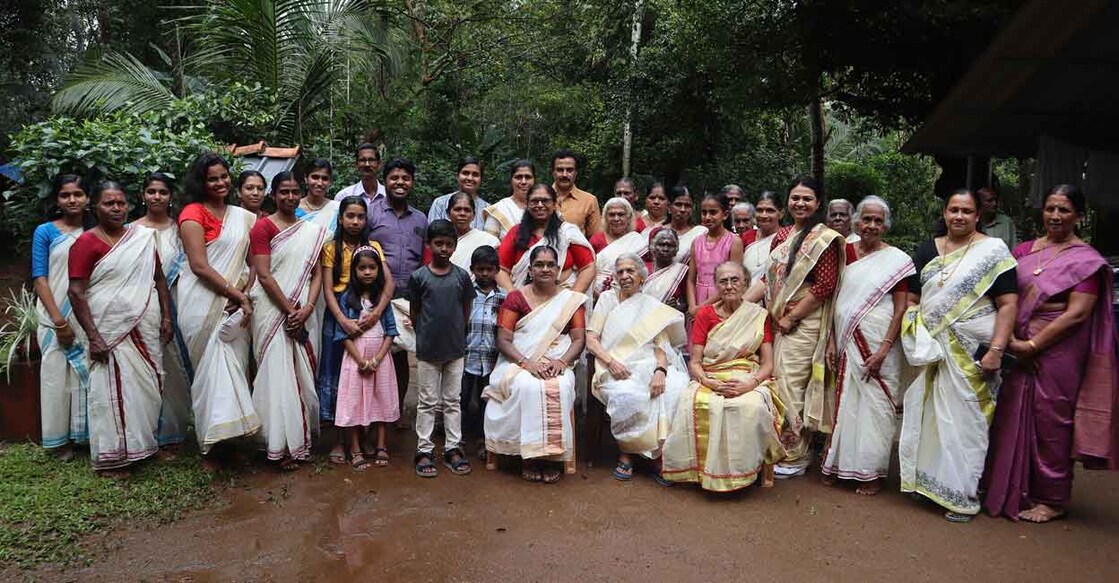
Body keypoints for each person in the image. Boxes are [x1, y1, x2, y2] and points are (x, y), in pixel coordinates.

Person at [983, 184, 1119, 523]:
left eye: (1064, 210)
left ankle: (1052, 498)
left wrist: (1031, 345)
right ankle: (1011, 485)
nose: (1055, 216)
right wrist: (1009, 340)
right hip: (1015, 345)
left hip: (1058, 352)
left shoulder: (1086, 261)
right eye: (1050, 209)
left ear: (1079, 216)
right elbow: (1005, 297)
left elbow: (1077, 314)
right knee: (1009, 412)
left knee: (1052, 419)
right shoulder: (1025, 251)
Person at [900, 188, 1018, 522]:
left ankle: (963, 494)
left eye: (967, 211)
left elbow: (1008, 304)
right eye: (954, 210)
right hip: (934, 349)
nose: (959, 217)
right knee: (932, 416)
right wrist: (917, 331)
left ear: (977, 215)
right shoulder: (927, 249)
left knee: (968, 422)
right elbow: (912, 300)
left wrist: (996, 349)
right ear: (945, 213)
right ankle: (932, 484)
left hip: (974, 353)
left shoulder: (993, 252)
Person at [743, 177, 849, 479]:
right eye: (795, 198)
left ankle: (794, 454)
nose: (800, 204)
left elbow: (825, 285)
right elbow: (767, 279)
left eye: (807, 199)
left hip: (803, 322)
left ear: (818, 203)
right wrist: (740, 308)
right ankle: (776, 446)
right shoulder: (783, 235)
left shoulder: (825, 239)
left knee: (792, 384)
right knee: (775, 380)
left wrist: (792, 317)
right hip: (776, 318)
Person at [67, 181, 172, 475]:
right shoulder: (86, 243)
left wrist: (166, 317)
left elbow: (159, 279)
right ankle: (113, 458)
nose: (116, 208)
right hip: (108, 331)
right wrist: (94, 337)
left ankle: (145, 447)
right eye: (109, 203)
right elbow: (76, 292)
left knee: (149, 385)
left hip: (146, 324)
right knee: (111, 391)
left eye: (121, 203)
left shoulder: (141, 238)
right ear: (95, 207)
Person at [662, 262, 785, 491]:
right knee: (694, 402)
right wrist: (709, 382)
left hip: (747, 377)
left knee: (752, 406)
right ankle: (702, 471)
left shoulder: (758, 315)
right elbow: (696, 362)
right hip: (711, 376)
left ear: (746, 283)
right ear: (716, 286)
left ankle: (743, 472)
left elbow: (768, 364)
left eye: (735, 280)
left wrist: (750, 384)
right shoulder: (705, 315)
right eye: (723, 281)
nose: (729, 286)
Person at [821, 196, 914, 495]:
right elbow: (835, 299)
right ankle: (840, 465)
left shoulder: (897, 260)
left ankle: (871, 473)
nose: (872, 225)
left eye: (878, 221)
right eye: (867, 219)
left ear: (885, 225)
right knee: (846, 401)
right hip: (846, 337)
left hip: (880, 341)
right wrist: (832, 340)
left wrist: (885, 348)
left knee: (876, 407)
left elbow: (900, 308)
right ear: (857, 221)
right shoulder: (844, 251)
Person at [178, 152, 260, 469]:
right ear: (202, 182)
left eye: (224, 176)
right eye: (212, 178)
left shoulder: (244, 216)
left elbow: (254, 263)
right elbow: (199, 265)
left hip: (236, 303)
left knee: (234, 368)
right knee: (209, 374)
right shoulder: (192, 214)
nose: (220, 183)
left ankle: (233, 441)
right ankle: (211, 446)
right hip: (201, 302)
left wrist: (244, 295)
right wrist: (235, 293)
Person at [483, 246, 588, 484]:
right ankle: (529, 457)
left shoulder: (570, 300)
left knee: (560, 386)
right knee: (526, 387)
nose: (545, 269)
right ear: (529, 270)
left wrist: (563, 361)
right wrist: (526, 363)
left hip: (557, 361)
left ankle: (551, 457)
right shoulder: (516, 297)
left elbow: (579, 339)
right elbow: (503, 339)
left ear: (558, 269)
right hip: (518, 360)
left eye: (551, 264)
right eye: (539, 265)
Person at [585, 254, 689, 480]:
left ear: (642, 277)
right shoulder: (606, 299)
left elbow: (661, 345)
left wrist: (660, 372)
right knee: (628, 394)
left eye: (630, 271)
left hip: (649, 363)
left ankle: (656, 454)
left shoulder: (650, 305)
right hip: (613, 363)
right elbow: (591, 339)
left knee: (676, 389)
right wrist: (611, 362)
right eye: (620, 272)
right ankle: (628, 453)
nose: (625, 276)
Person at [248, 171, 324, 470]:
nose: (290, 198)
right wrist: (290, 311)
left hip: (303, 307)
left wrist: (307, 308)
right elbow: (264, 275)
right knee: (275, 375)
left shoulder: (311, 230)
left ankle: (299, 438)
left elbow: (317, 274)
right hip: (271, 309)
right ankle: (277, 443)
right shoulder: (262, 228)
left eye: (294, 192)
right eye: (284, 192)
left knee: (301, 373)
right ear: (274, 194)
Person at [319, 196, 394, 463]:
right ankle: (340, 440)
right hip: (340, 315)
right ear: (340, 218)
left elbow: (389, 283)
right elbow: (328, 289)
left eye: (360, 216)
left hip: (369, 313)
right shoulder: (331, 248)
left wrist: (376, 313)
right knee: (340, 377)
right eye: (350, 216)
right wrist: (342, 319)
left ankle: (364, 436)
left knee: (367, 379)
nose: (355, 221)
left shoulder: (372, 247)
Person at [409, 220, 476, 478]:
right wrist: (425, 334)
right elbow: (415, 312)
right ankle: (424, 449)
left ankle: (452, 447)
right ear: (429, 245)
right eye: (438, 243)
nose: (444, 249)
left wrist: (456, 333)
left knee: (452, 400)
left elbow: (465, 310)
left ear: (455, 245)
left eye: (449, 244)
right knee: (427, 401)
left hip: (455, 350)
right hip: (427, 350)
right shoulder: (419, 277)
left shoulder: (461, 277)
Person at [31, 175, 91, 459]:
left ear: (88, 198)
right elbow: (40, 278)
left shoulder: (97, 232)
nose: (72, 200)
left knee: (87, 375)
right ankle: (59, 441)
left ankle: (85, 436)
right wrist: (59, 321)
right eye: (66, 195)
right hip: (53, 316)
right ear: (57, 200)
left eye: (78, 194)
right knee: (55, 378)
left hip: (88, 315)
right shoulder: (45, 232)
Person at [132, 173, 191, 453]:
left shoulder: (181, 230)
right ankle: (145, 430)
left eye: (162, 192)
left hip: (179, 304)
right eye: (151, 191)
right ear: (142, 195)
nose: (156, 197)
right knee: (145, 368)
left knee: (176, 370)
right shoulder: (131, 231)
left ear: (171, 197)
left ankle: (173, 431)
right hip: (142, 307)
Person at [368, 158, 428, 427]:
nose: (400, 182)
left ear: (412, 182)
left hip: (407, 298)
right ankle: (370, 412)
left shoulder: (420, 218)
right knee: (371, 351)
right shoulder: (371, 213)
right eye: (394, 178)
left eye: (405, 178)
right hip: (374, 295)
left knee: (401, 355)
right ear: (386, 181)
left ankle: (397, 411)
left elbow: (425, 258)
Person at [334, 247, 399, 469]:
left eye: (372, 267)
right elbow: (342, 335)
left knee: (381, 399)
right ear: (354, 271)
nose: (368, 272)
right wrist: (361, 362)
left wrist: (378, 359)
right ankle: (354, 448)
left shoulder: (382, 299)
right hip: (355, 360)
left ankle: (381, 445)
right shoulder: (346, 298)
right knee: (353, 401)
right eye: (362, 268)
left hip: (381, 360)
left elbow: (391, 331)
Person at [496, 183, 596, 293]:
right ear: (527, 205)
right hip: (523, 302)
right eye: (534, 201)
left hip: (564, 302)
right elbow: (501, 269)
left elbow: (588, 267)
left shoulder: (568, 233)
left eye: (545, 201)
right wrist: (514, 297)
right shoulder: (516, 233)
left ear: (554, 205)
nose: (539, 205)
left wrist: (572, 300)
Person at [461, 246, 506, 461]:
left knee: (486, 399)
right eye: (480, 269)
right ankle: (459, 439)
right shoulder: (465, 293)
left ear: (497, 270)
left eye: (489, 269)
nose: (485, 274)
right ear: (472, 269)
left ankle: (483, 439)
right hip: (466, 355)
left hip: (491, 359)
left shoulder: (503, 298)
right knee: (461, 398)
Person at [686, 193, 744, 316]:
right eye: (704, 212)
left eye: (713, 212)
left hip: (722, 302)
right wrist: (692, 306)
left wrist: (702, 308)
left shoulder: (734, 242)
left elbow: (733, 281)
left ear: (725, 215)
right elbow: (691, 279)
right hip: (697, 299)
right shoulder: (697, 242)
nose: (707, 217)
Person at [589, 197, 647, 297]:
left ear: (628, 217)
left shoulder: (637, 240)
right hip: (599, 295)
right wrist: (597, 292)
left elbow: (643, 271)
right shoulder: (596, 239)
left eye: (621, 214)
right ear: (605, 217)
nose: (616, 219)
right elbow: (588, 268)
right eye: (612, 215)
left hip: (632, 295)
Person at [439, 191, 501, 272]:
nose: (462, 213)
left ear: (474, 215)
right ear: (448, 213)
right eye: (458, 209)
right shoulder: (439, 242)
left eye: (467, 210)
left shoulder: (489, 241)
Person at [551, 149, 601, 236]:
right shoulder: (540, 199)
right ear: (553, 172)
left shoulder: (589, 201)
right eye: (560, 170)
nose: (564, 174)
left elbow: (595, 239)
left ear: (576, 172)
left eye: (569, 170)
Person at [428, 157, 487, 229]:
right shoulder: (440, 203)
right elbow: (433, 234)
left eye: (475, 174)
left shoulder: (487, 209)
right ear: (457, 176)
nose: (470, 178)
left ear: (481, 179)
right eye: (465, 173)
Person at [483, 159, 534, 239]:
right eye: (518, 177)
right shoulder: (499, 209)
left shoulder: (541, 208)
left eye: (528, 177)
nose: (523, 182)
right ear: (511, 180)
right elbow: (489, 245)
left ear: (534, 180)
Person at [655, 185, 706, 263]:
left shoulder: (701, 233)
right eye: (678, 204)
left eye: (687, 206)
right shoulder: (657, 232)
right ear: (669, 206)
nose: (683, 210)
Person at [334, 142, 386, 216]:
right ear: (356, 165)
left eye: (371, 160)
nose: (367, 164)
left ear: (379, 164)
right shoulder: (344, 196)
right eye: (362, 160)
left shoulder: (388, 196)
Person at [743, 191, 783, 285]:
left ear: (781, 213)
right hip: (746, 295)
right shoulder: (746, 237)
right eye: (759, 210)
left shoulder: (786, 237)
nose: (764, 215)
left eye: (770, 210)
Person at [643, 229, 687, 313]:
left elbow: (686, 304)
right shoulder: (642, 268)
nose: (666, 249)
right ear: (653, 246)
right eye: (661, 244)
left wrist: (676, 306)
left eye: (670, 245)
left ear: (676, 249)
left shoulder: (681, 271)